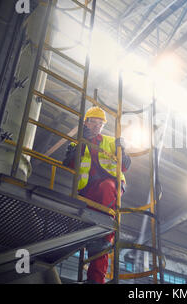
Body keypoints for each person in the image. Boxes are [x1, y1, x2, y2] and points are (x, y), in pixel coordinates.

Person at [63, 106, 131, 284]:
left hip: (111, 186)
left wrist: (122, 149)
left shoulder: (110, 141)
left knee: (107, 193)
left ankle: (102, 237)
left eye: (100, 124)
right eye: (94, 122)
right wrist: (82, 143)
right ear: (86, 122)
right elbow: (69, 164)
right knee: (98, 240)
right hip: (88, 192)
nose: (97, 126)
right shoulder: (77, 142)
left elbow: (124, 166)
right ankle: (95, 280)